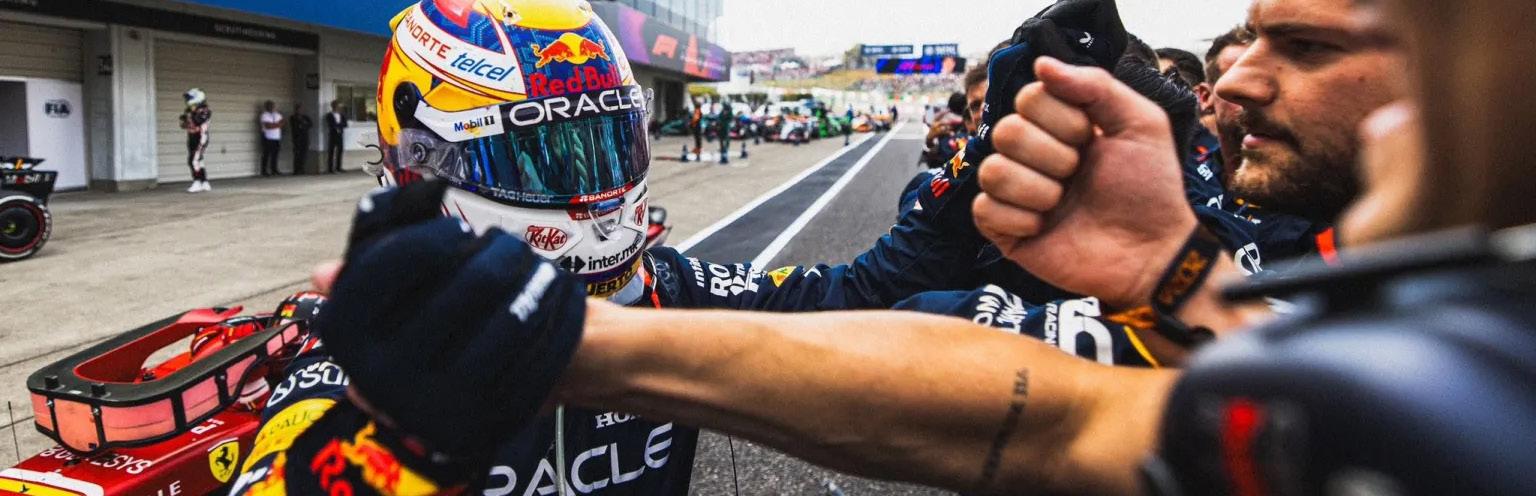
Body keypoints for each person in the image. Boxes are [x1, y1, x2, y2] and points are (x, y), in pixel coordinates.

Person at [287, 0, 1536, 494]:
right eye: (548, 150)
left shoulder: (663, 285)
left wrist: (580, 342)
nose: (1242, 83)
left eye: (1319, 45)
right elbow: (1066, 422)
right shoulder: (339, 345)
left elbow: (865, 301)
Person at [179, 88, 212, 193]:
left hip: (201, 138)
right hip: (191, 137)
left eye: (189, 98)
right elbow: (184, 125)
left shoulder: (204, 110)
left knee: (193, 160)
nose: (187, 101)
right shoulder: (189, 110)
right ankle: (204, 182)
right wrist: (184, 120)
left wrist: (191, 115)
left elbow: (198, 121)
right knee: (199, 160)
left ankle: (197, 181)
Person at [259, 100, 284, 177]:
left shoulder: (278, 115)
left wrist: (275, 125)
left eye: (273, 106)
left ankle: (274, 170)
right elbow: (268, 126)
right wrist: (278, 125)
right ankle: (264, 171)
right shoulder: (264, 115)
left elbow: (283, 123)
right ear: (266, 107)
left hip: (276, 137)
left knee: (275, 154)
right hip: (267, 137)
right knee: (266, 154)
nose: (272, 107)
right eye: (269, 106)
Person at [289, 103, 314, 175]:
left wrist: (302, 124)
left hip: (305, 137)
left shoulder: (306, 117)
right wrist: (303, 124)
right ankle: (296, 170)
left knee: (304, 154)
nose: (299, 110)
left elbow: (310, 124)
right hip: (297, 138)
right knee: (297, 154)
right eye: (297, 109)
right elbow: (295, 126)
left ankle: (302, 169)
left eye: (300, 109)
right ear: (295, 110)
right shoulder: (292, 117)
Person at [325, 101, 348, 173]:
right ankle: (330, 168)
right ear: (333, 106)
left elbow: (345, 124)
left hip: (340, 134)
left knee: (340, 150)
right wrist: (337, 126)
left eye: (339, 106)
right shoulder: (329, 115)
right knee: (331, 151)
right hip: (332, 134)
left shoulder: (342, 115)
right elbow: (330, 124)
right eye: (337, 106)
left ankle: (338, 167)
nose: (338, 108)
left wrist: (338, 126)